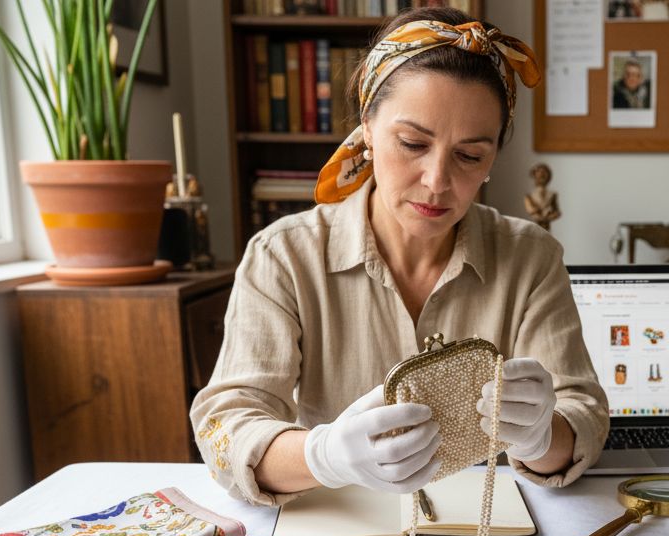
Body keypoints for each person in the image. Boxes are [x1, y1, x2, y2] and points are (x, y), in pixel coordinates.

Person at [191, 9, 609, 505]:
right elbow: (226, 426)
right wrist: (323, 456)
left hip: (490, 532)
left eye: (470, 155)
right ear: (367, 128)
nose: (437, 181)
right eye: (412, 143)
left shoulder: (530, 256)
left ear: (494, 155)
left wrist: (541, 437)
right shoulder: (284, 256)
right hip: (336, 523)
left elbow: (583, 414)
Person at [523, 162, 561, 230]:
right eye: (539, 173)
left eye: (544, 173)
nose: (541, 175)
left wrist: (549, 217)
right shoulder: (529, 196)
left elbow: (557, 212)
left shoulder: (552, 195)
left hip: (546, 228)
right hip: (536, 226)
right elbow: (531, 210)